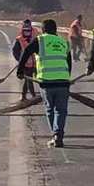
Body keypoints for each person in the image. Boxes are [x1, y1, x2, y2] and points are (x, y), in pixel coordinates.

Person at [17, 19, 72, 148]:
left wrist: (20, 70)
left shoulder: (40, 40)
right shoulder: (64, 42)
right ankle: (59, 135)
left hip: (46, 81)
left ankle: (55, 135)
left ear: (43, 30)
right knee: (61, 110)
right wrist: (67, 77)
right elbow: (68, 62)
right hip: (63, 81)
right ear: (56, 30)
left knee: (50, 109)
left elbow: (26, 52)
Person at [12, 19, 39, 100]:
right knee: (28, 79)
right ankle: (32, 96)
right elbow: (15, 51)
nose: (27, 32)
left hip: (36, 61)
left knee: (31, 79)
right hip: (26, 63)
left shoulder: (35, 34)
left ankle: (25, 96)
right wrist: (20, 60)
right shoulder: (19, 39)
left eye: (28, 30)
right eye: (25, 30)